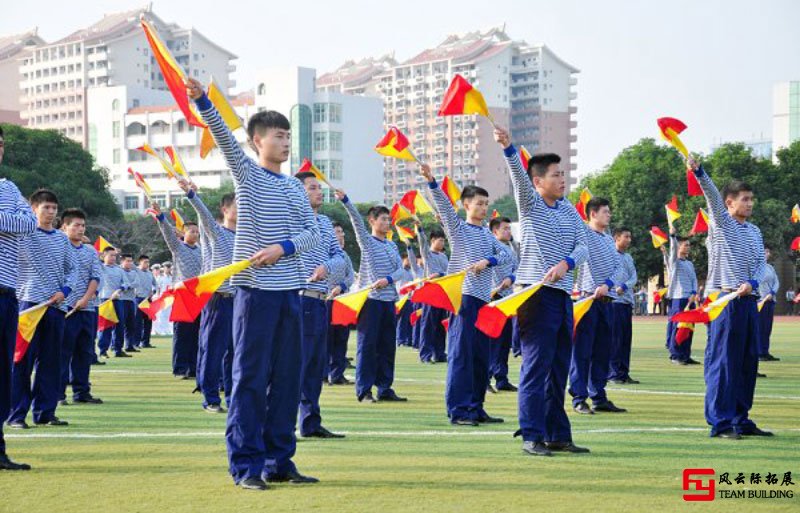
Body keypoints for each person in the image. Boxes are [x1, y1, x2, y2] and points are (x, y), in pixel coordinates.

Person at [190, 77, 321, 489]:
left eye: (288, 136)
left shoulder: (295, 189)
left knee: (287, 378)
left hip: (290, 292)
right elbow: (223, 137)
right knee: (249, 377)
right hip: (253, 292)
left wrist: (283, 247)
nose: (285, 142)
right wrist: (203, 101)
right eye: (278, 136)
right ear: (257, 142)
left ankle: (279, 460)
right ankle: (246, 465)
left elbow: (311, 233)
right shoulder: (247, 174)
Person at [496, 126, 590, 456]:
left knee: (559, 367)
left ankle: (557, 434)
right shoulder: (531, 204)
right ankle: (532, 436)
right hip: (535, 296)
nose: (562, 179)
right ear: (539, 182)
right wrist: (509, 149)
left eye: (563, 173)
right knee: (536, 367)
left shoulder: (568, 209)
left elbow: (583, 244)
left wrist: (566, 263)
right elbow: (519, 179)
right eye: (555, 175)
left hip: (563, 296)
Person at [420, 163, 511, 426]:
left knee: (481, 356)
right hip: (465, 298)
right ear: (467, 205)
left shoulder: (487, 234)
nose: (484, 208)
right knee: (462, 355)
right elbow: (446, 209)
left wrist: (488, 261)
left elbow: (507, 254)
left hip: (484, 300)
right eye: (479, 203)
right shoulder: (458, 229)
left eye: (486, 203)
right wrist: (432, 182)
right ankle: (459, 410)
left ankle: (476, 406)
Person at [689, 156, 771, 439]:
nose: (749, 204)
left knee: (748, 361)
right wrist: (700, 172)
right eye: (744, 199)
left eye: (751, 199)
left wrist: (752, 282)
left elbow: (761, 264)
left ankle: (740, 416)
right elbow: (711, 195)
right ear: (729, 203)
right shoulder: (721, 224)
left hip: (749, 302)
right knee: (723, 361)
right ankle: (721, 422)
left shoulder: (755, 231)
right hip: (724, 302)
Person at [8, 189, 76, 430]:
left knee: (51, 362)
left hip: (56, 306)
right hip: (28, 305)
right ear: (33, 209)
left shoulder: (61, 239)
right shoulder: (21, 235)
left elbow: (73, 270)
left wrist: (65, 291)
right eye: (45, 207)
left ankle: (45, 412)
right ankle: (16, 414)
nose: (51, 212)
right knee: (21, 362)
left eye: (54, 208)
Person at [336, 187, 406, 404]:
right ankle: (364, 390)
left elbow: (400, 270)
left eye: (388, 219)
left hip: (388, 301)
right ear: (372, 221)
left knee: (387, 346)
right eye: (383, 219)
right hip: (371, 301)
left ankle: (384, 387)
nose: (387, 223)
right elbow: (356, 220)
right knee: (368, 346)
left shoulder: (392, 245)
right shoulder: (366, 241)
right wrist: (346, 201)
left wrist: (388, 280)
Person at [293, 170, 346, 438]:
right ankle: (284, 422)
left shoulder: (325, 222)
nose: (319, 191)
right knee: (297, 365)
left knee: (316, 365)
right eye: (312, 187)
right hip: (299, 299)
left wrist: (326, 266)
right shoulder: (291, 221)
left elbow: (341, 259)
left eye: (318, 187)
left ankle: (310, 422)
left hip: (320, 302)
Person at [178, 177, 237, 412]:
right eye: (237, 206)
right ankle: (211, 398)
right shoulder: (216, 232)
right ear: (225, 209)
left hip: (239, 300)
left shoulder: (245, 236)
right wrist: (193, 196)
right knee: (213, 349)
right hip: (218, 298)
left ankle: (234, 399)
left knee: (235, 352)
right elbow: (203, 217)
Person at [0, 125, 37, 470]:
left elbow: (28, 223)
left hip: (7, 293)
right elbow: (19, 222)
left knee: (3, 372)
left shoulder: (9, 188)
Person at [569, 197, 627, 414]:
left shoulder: (607, 240)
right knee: (582, 352)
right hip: (587, 301)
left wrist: (608, 285)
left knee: (603, 351)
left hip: (606, 301)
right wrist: (596, 286)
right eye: (605, 211)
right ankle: (579, 398)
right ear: (593, 214)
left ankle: (598, 396)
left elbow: (619, 268)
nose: (609, 215)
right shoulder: (584, 235)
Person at [152, 203, 202, 379]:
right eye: (192, 231)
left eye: (197, 231)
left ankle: (194, 368)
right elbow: (167, 233)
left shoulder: (203, 250)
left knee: (197, 333)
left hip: (198, 296)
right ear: (183, 233)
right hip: (182, 295)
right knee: (182, 334)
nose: (195, 234)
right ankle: (180, 368)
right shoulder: (178, 247)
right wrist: (161, 217)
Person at [59, 208, 103, 406]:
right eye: (75, 225)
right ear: (64, 227)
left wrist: (86, 299)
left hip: (87, 309)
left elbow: (96, 276)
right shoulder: (59, 248)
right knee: (62, 352)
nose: (80, 229)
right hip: (65, 309)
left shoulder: (90, 250)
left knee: (84, 353)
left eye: (83, 225)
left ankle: (81, 391)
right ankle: (58, 392)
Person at [488, 216, 518, 392]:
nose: (508, 231)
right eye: (505, 228)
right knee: (491, 341)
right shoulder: (489, 248)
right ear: (495, 231)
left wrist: (511, 278)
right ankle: (485, 378)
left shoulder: (511, 251)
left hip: (507, 298)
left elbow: (517, 269)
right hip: (492, 298)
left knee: (504, 341)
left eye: (509, 228)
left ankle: (501, 378)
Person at [662, 228, 699, 365]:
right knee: (677, 327)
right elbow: (671, 252)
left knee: (688, 328)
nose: (688, 247)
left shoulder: (689, 263)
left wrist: (694, 293)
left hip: (690, 299)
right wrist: (672, 236)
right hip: (678, 299)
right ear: (678, 246)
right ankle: (675, 355)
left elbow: (694, 280)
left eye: (689, 245)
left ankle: (685, 354)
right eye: (685, 245)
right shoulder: (674, 262)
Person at [608, 227, 639, 385]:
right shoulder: (609, 254)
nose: (629, 240)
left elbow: (634, 276)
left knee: (626, 340)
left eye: (630, 237)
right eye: (626, 236)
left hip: (626, 302)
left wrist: (625, 286)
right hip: (615, 302)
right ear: (616, 238)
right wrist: (617, 288)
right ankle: (613, 373)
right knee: (615, 340)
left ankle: (623, 372)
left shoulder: (628, 257)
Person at [327, 222, 355, 386]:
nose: (342, 235)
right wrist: (331, 288)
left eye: (342, 232)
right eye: (338, 232)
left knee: (341, 338)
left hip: (342, 301)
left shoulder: (345, 256)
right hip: (326, 300)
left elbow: (350, 277)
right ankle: (322, 373)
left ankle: (337, 374)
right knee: (325, 339)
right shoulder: (323, 253)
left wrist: (342, 287)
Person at [416, 226, 449, 363]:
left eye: (443, 241)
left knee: (441, 325)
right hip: (430, 292)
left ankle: (439, 353)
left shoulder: (444, 256)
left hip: (443, 293)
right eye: (440, 240)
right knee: (428, 325)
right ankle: (425, 355)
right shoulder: (427, 254)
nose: (442, 243)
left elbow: (449, 273)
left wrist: (441, 274)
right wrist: (420, 231)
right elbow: (422, 242)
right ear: (433, 240)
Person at [96, 247, 129, 358]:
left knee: (120, 325)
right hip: (105, 300)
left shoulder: (119, 269)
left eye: (115, 255)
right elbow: (94, 258)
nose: (113, 257)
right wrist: (99, 252)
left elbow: (126, 284)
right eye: (110, 255)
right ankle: (103, 350)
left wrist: (119, 290)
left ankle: (117, 349)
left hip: (118, 300)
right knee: (105, 326)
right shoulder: (100, 268)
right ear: (104, 256)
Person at [758, 246, 780, 362]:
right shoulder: (757, 268)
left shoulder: (770, 267)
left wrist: (772, 292)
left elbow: (776, 281)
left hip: (770, 300)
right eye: (764, 252)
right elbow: (758, 283)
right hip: (761, 301)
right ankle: (759, 352)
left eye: (768, 252)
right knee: (760, 327)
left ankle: (765, 351)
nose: (767, 254)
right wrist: (764, 296)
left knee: (767, 328)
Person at [135, 256, 158, 349]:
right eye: (145, 262)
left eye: (148, 262)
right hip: (138, 299)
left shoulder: (149, 273)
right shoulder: (136, 271)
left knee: (148, 321)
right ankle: (136, 342)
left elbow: (155, 284)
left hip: (148, 300)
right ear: (140, 262)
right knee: (138, 322)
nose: (147, 264)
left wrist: (154, 291)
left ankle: (146, 342)